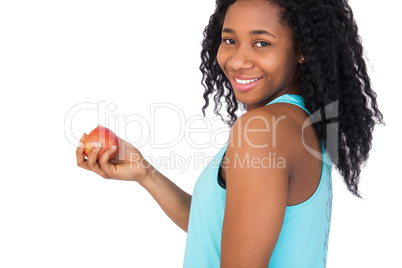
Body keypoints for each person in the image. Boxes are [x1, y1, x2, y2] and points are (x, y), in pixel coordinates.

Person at [76, 0, 383, 267]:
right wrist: (145, 173)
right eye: (230, 40)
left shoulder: (264, 131)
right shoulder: (299, 122)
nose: (237, 60)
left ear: (301, 49)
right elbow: (220, 230)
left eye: (262, 43)